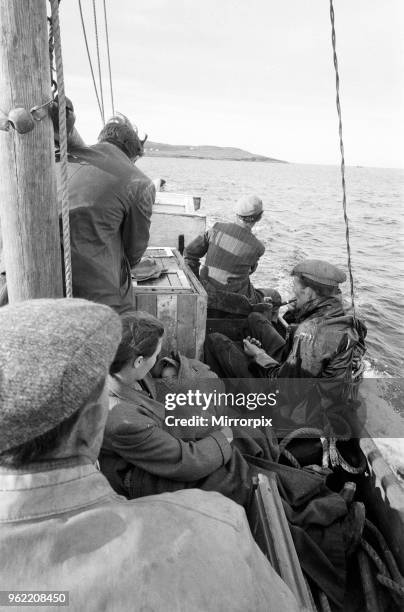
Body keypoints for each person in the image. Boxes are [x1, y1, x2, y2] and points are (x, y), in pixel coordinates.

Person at [0, 298, 299, 611]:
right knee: (249, 474)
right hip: (155, 474)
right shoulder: (213, 520)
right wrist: (223, 436)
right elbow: (186, 461)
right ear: (92, 423)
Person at [100, 310, 278, 506]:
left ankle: (271, 466)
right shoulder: (122, 420)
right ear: (139, 362)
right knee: (236, 480)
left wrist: (169, 368)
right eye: (156, 354)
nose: (158, 357)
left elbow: (154, 371)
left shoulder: (120, 369)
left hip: (157, 440)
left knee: (242, 433)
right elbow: (186, 461)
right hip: (144, 477)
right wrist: (224, 437)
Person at [206, 259, 367, 426]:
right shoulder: (348, 318)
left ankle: (229, 402)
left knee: (216, 340)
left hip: (296, 410)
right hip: (299, 372)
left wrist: (259, 355)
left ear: (310, 293)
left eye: (296, 287)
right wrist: (299, 313)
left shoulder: (311, 333)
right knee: (255, 319)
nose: (293, 292)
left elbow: (283, 389)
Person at [56, 112, 155, 313]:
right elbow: (134, 250)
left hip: (33, 283)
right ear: (134, 155)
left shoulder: (60, 159)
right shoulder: (139, 182)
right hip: (93, 296)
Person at [183, 194, 269, 314]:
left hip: (206, 292)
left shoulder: (217, 229)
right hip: (233, 302)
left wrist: (196, 281)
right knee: (272, 296)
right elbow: (250, 271)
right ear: (259, 217)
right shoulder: (258, 247)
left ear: (237, 214)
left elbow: (189, 252)